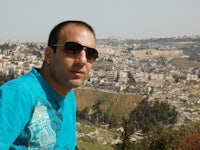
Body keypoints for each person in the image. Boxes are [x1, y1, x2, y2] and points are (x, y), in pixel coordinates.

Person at [0, 20, 98, 149]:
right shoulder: (17, 94)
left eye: (90, 54)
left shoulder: (68, 96)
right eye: (73, 50)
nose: (83, 60)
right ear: (49, 55)